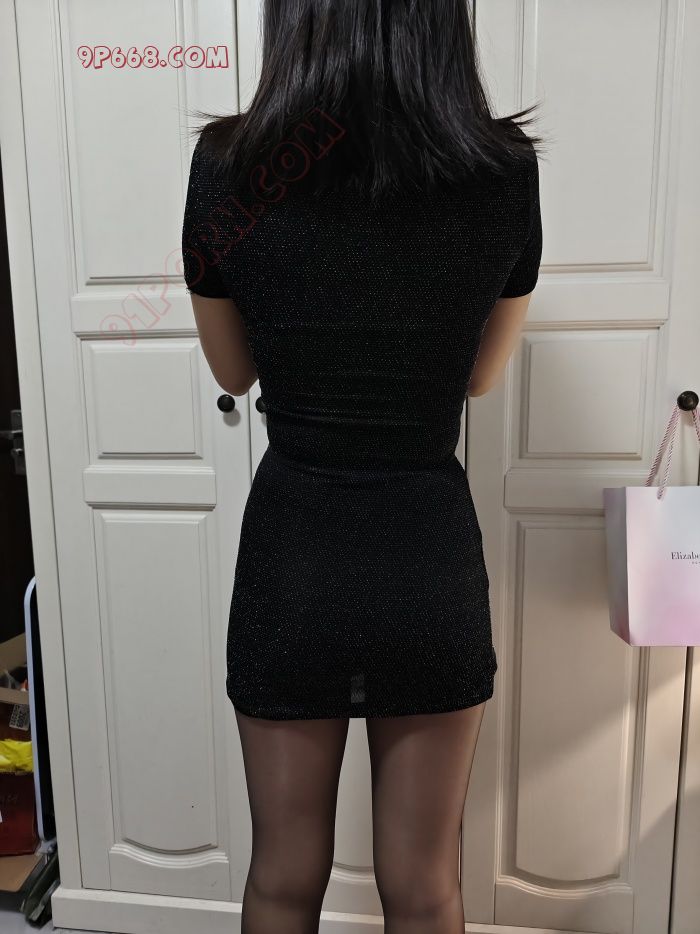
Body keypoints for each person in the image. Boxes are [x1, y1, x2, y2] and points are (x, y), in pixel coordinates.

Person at [181, 2, 545, 930]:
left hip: (293, 556)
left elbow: (233, 371)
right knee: (425, 886)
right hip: (427, 557)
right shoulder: (502, 171)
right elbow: (480, 377)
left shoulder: (230, 167)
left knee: (280, 876)